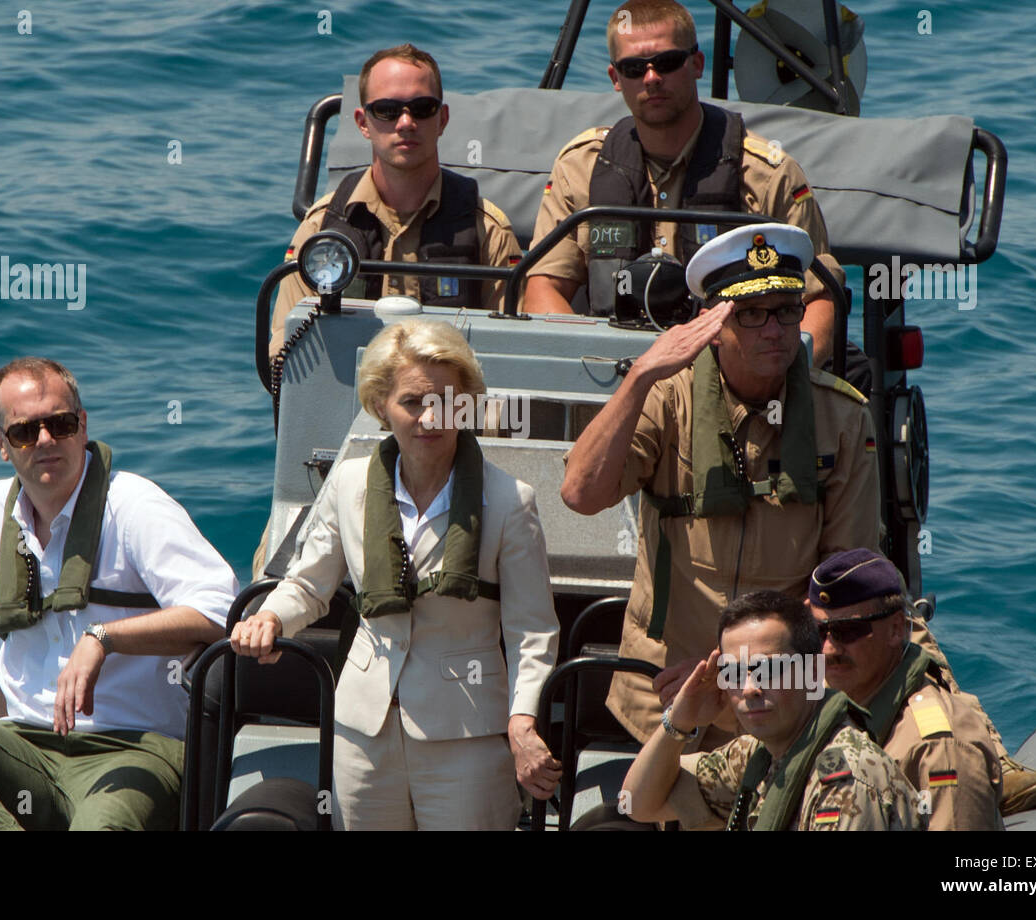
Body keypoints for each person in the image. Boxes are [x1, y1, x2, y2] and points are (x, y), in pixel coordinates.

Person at [561, 221, 880, 748]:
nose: (774, 331)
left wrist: (734, 673)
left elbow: (839, 584)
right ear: (713, 321)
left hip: (780, 694)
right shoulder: (667, 397)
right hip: (665, 686)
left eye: (786, 310)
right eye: (751, 314)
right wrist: (640, 375)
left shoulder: (842, 417)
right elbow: (581, 493)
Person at [232, 319, 560, 830]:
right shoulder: (347, 484)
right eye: (412, 402)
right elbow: (307, 584)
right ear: (380, 405)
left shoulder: (511, 502)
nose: (430, 418)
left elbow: (531, 631)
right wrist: (271, 616)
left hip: (466, 734)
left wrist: (522, 723)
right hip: (362, 730)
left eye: (447, 403)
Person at [0, 356, 239, 830]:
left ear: (84, 424)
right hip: (26, 745)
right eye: (25, 432)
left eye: (61, 423)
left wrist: (103, 637)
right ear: (1, 445)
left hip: (133, 748)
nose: (46, 440)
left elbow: (220, 614)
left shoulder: (134, 507)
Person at [525, 0, 864, 387]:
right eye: (635, 68)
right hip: (614, 383)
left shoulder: (767, 175)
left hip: (735, 387)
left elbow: (821, 300)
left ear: (697, 65)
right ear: (615, 78)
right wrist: (589, 373)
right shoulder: (580, 168)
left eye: (667, 62)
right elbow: (540, 289)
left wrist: (781, 377)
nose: (651, 78)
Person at [268, 43, 521, 362]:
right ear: (362, 122)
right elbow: (282, 345)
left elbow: (514, 351)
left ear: (442, 119)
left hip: (452, 409)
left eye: (422, 108)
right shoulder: (321, 228)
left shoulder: (487, 229)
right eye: (387, 110)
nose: (405, 123)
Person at [622, 590, 921, 830]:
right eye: (735, 673)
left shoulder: (848, 782)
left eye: (771, 670)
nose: (750, 687)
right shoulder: (757, 754)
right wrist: (680, 720)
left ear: (813, 674)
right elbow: (636, 803)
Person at [810, 548, 1036, 826]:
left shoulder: (937, 748)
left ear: (895, 629)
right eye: (818, 631)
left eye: (849, 631)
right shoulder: (821, 708)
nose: (829, 648)